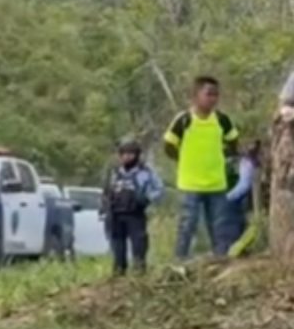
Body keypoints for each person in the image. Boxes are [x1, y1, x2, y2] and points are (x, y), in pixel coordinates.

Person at [164, 76, 239, 259]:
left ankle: (220, 259)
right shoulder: (183, 120)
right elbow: (168, 145)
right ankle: (180, 260)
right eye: (208, 94)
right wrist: (183, 160)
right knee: (187, 225)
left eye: (216, 95)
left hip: (216, 183)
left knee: (219, 225)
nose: (213, 98)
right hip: (190, 184)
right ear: (196, 96)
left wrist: (224, 156)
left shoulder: (222, 120)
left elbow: (233, 141)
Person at [100, 139, 164, 276]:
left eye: (130, 154)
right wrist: (104, 208)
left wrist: (147, 198)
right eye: (123, 154)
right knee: (118, 248)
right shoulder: (114, 172)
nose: (126, 157)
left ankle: (139, 273)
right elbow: (106, 191)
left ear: (137, 155)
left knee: (139, 246)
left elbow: (159, 189)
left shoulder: (145, 172)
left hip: (135, 215)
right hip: (116, 215)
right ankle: (118, 274)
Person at [220, 140, 261, 252]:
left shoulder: (246, 163)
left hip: (241, 200)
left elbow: (244, 185)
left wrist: (228, 198)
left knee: (237, 226)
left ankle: (232, 250)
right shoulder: (244, 162)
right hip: (241, 199)